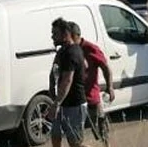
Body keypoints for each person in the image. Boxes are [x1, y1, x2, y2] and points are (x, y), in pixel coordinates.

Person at [69, 22, 114, 144]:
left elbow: (105, 67)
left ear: (76, 36)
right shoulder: (68, 51)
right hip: (76, 101)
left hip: (92, 99)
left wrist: (110, 87)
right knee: (76, 136)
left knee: (101, 133)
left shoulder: (90, 49)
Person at [48, 18, 87, 147]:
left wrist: (56, 103)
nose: (52, 36)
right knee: (55, 136)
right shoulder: (62, 51)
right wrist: (52, 90)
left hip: (74, 105)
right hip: (61, 103)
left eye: (55, 34)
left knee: (75, 143)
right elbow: (54, 71)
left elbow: (67, 80)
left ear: (65, 35)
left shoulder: (73, 53)